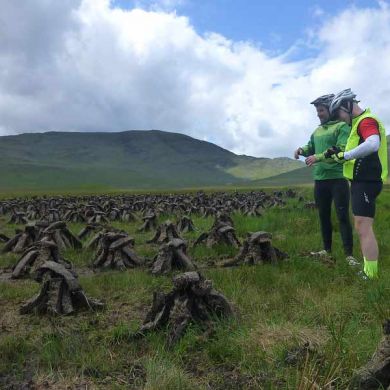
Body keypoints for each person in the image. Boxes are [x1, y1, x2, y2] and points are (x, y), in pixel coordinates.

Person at [326, 89, 388, 279]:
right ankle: (370, 271)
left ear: (347, 105)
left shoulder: (366, 121)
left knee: (363, 227)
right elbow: (359, 150)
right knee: (361, 226)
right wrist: (340, 152)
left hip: (367, 182)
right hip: (361, 182)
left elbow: (372, 144)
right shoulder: (357, 125)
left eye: (338, 113)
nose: (339, 118)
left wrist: (345, 155)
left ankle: (371, 274)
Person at [294, 94, 356, 264]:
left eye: (321, 110)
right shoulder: (317, 131)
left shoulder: (342, 127)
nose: (318, 114)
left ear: (330, 109)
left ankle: (349, 255)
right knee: (323, 216)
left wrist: (318, 157)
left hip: (338, 178)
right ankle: (326, 250)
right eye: (317, 111)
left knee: (342, 216)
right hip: (320, 179)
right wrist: (301, 150)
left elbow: (341, 148)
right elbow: (310, 146)